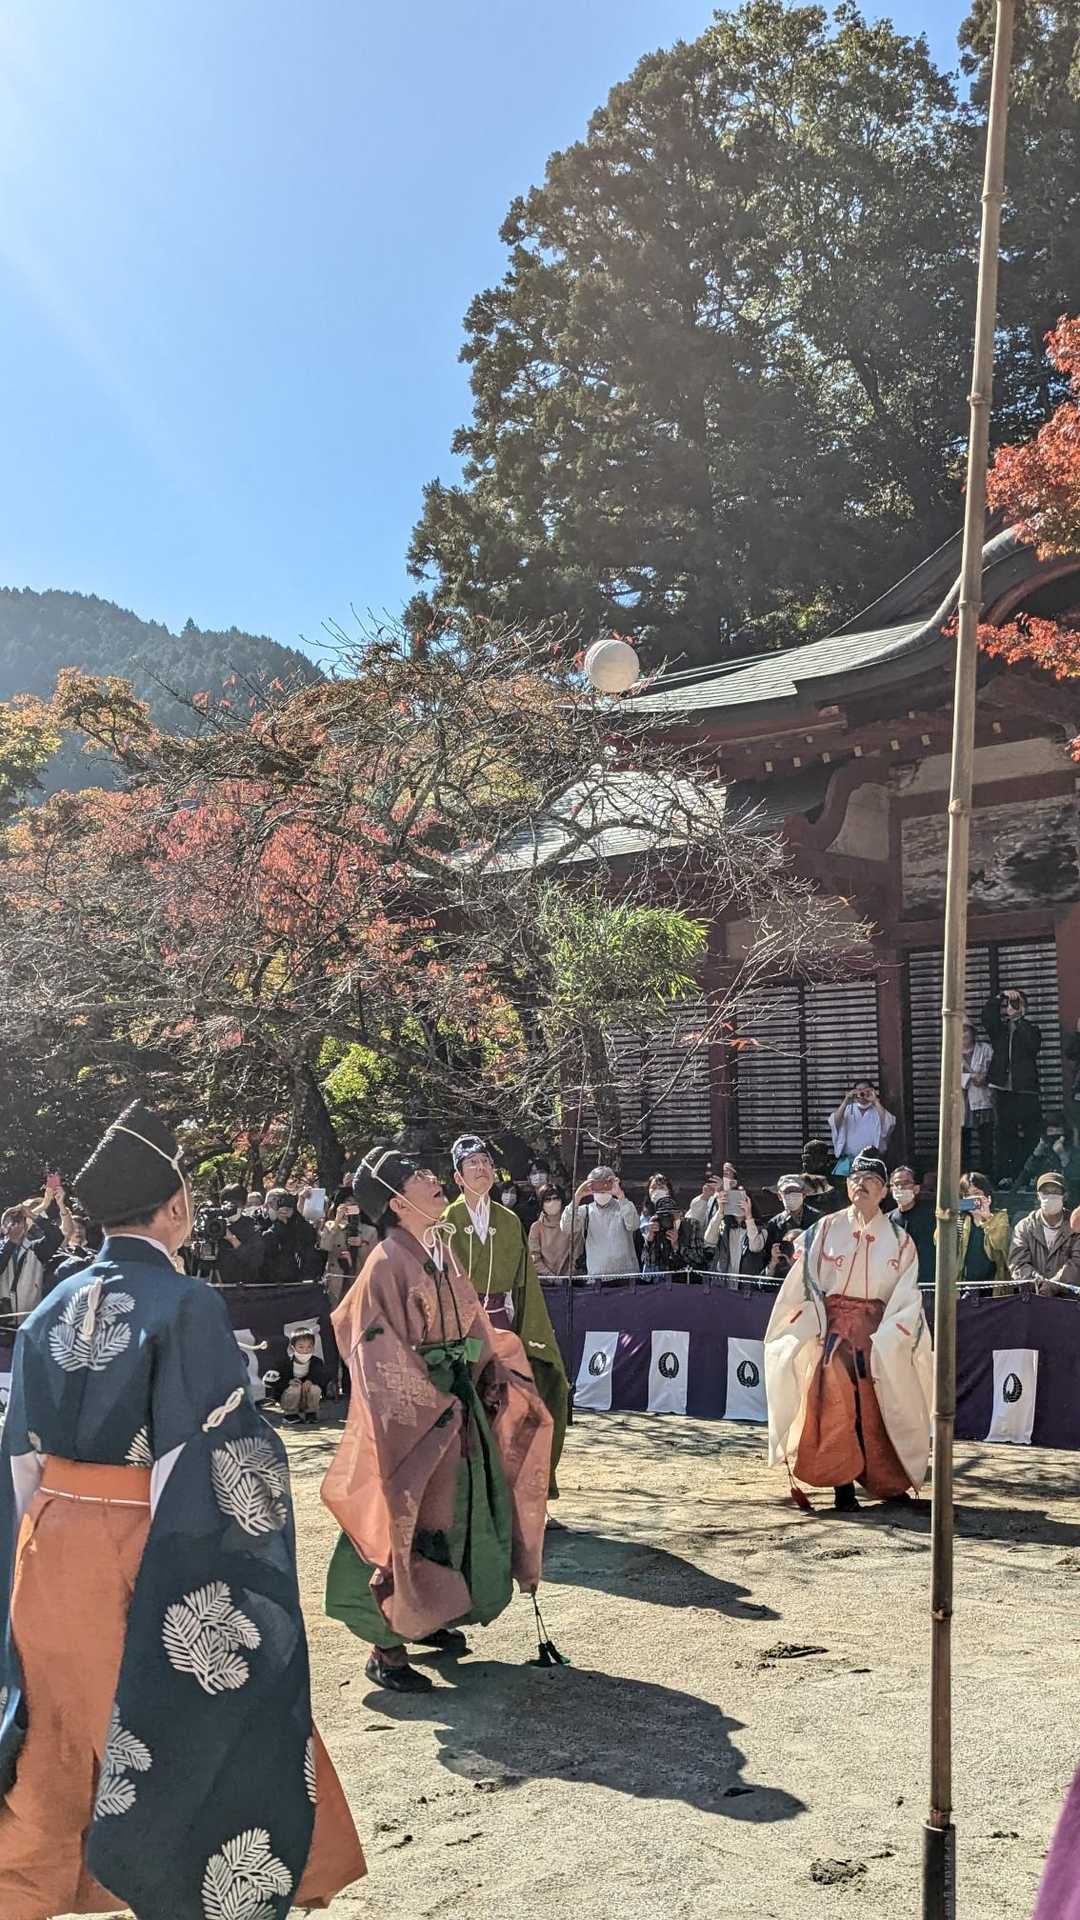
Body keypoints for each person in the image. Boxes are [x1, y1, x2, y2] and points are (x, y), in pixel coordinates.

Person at [0, 1100, 364, 1920]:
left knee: (58, 1724)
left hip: (46, 1549)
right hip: (147, 1544)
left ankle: (25, 1886)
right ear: (173, 1207)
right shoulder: (185, 1301)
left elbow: (17, 1456)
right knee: (198, 1719)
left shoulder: (52, 1304)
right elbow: (205, 1453)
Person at [322, 1146, 552, 1695]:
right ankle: (385, 1647)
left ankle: (432, 1614)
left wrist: (488, 1368)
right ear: (397, 1202)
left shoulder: (440, 1248)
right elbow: (375, 1356)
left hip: (455, 1404)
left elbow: (472, 1325)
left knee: (454, 1517)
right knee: (406, 1522)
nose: (433, 1181)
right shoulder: (385, 1263)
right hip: (416, 1418)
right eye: (419, 1176)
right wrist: (430, 1402)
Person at [764, 1151, 933, 1515]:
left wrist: (891, 1336)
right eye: (855, 1180)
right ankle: (843, 1487)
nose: (861, 1186)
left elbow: (906, 1296)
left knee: (876, 1408)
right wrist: (813, 1322)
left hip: (876, 1334)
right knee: (836, 1406)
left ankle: (884, 1480)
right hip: (834, 1333)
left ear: (884, 1191)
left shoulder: (901, 1241)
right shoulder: (825, 1228)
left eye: (871, 1181)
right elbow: (804, 1280)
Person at [444, 1136, 568, 1495]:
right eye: (472, 1164)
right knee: (469, 1403)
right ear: (458, 1177)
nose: (481, 1168)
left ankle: (519, 1494)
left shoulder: (510, 1220)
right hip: (464, 1329)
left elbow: (525, 1284)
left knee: (515, 1403)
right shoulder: (447, 1220)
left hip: (503, 1324)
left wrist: (533, 1335)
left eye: (485, 1162)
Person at [982, 986, 1042, 1181]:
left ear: (1024, 1008)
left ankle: (1029, 1176)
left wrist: (1019, 1018)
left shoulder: (1031, 1029)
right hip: (1003, 1091)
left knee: (1031, 1134)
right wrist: (1000, 997)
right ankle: (1005, 1176)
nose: (1011, 1007)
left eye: (1016, 1004)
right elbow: (987, 1017)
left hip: (1026, 1090)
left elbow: (1032, 1046)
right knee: (1004, 1135)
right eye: (1009, 1004)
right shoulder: (999, 1030)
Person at [562, 1164, 640, 1281]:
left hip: (627, 1278)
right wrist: (577, 1197)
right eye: (597, 1187)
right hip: (597, 1280)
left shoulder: (624, 1205)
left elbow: (633, 1225)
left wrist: (620, 1195)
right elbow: (566, 1227)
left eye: (605, 1186)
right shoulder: (586, 1210)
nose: (602, 1191)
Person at [1007, 1172, 1078, 1296]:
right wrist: (1039, 1284)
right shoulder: (1024, 1227)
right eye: (1045, 1192)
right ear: (1038, 1196)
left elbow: (1077, 1262)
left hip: (1068, 1299)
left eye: (1055, 1192)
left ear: (1065, 1196)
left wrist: (1053, 1285)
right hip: (1032, 1297)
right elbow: (1018, 1262)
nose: (1050, 1196)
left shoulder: (1075, 1226)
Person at [0, 1193, 64, 1321]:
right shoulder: (2, 1248)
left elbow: (57, 1236)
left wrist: (32, 1215)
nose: (14, 1225)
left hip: (29, 1318)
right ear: (2, 1227)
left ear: (26, 1226)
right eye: (10, 1221)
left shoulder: (35, 1249)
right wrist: (12, 1242)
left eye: (18, 1221)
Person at [953, 1172, 1011, 1292]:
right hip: (964, 1286)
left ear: (987, 1196)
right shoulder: (959, 1220)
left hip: (992, 1287)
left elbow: (1002, 1245)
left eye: (976, 1194)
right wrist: (950, 1215)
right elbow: (939, 1242)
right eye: (967, 1195)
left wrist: (987, 1219)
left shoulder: (1000, 1217)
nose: (972, 1199)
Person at [703, 1180, 767, 1282]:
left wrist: (749, 1216)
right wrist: (720, 1212)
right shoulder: (723, 1226)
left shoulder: (760, 1228)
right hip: (722, 1284)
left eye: (741, 1199)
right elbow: (708, 1240)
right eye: (734, 1199)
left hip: (746, 1285)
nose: (738, 1203)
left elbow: (755, 1247)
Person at [764, 1176, 822, 1281]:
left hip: (813, 1278)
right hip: (784, 1280)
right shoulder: (774, 1225)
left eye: (795, 1191)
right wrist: (774, 1260)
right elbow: (767, 1262)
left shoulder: (819, 1219)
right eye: (787, 1192)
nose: (791, 1195)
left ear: (804, 1195)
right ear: (779, 1196)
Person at [828, 1081, 896, 1170]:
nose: (862, 1093)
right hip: (848, 1161)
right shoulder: (847, 1109)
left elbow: (889, 1124)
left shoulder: (878, 1110)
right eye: (859, 1090)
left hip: (871, 1161)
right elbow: (834, 1123)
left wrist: (875, 1101)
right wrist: (845, 1102)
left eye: (866, 1090)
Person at [886, 1165, 935, 1285]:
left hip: (926, 1284)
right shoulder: (886, 1220)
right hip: (897, 1284)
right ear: (891, 1189)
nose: (900, 1187)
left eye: (906, 1183)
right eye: (896, 1184)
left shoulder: (931, 1217)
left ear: (916, 1188)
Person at [260, 1188, 321, 1283]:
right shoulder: (260, 1222)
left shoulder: (297, 1226)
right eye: (270, 1203)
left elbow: (309, 1239)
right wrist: (278, 1222)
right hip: (272, 1282)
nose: (275, 1207)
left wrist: (296, 1214)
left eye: (279, 1203)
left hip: (297, 1280)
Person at [1017, 1113, 1080, 1205]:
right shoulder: (1044, 1151)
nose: (1054, 1134)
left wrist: (1063, 1156)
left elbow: (1075, 1178)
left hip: (1069, 1199)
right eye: (1050, 1130)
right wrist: (1036, 1155)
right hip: (1044, 1200)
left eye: (1057, 1130)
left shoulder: (1073, 1151)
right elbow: (1026, 1173)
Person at [272, 1328, 328, 1424]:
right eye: (301, 1347)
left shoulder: (317, 1362)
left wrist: (311, 1380)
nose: (305, 1350)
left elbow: (322, 1378)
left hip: (305, 1398)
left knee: (315, 1389)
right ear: (293, 1347)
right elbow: (273, 1381)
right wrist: (288, 1382)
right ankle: (290, 1415)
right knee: (294, 1388)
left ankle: (311, 1413)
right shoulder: (284, 1363)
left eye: (309, 1347)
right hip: (288, 1399)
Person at [961, 1019, 995, 1173]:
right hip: (962, 1101)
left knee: (986, 1138)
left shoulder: (985, 1049)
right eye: (959, 1031)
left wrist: (985, 1077)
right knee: (963, 1140)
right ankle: (964, 1175)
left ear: (973, 1032)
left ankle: (986, 1173)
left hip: (982, 1099)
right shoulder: (951, 1052)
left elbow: (994, 1069)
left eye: (966, 1031)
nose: (963, 1035)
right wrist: (969, 1078)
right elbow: (948, 1076)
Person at [528, 1185, 573, 1278]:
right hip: (545, 1281)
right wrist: (551, 1277)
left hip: (570, 1279)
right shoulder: (536, 1227)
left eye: (556, 1198)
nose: (552, 1202)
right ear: (541, 1204)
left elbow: (577, 1253)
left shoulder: (572, 1223)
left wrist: (567, 1277)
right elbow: (534, 1257)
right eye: (547, 1199)